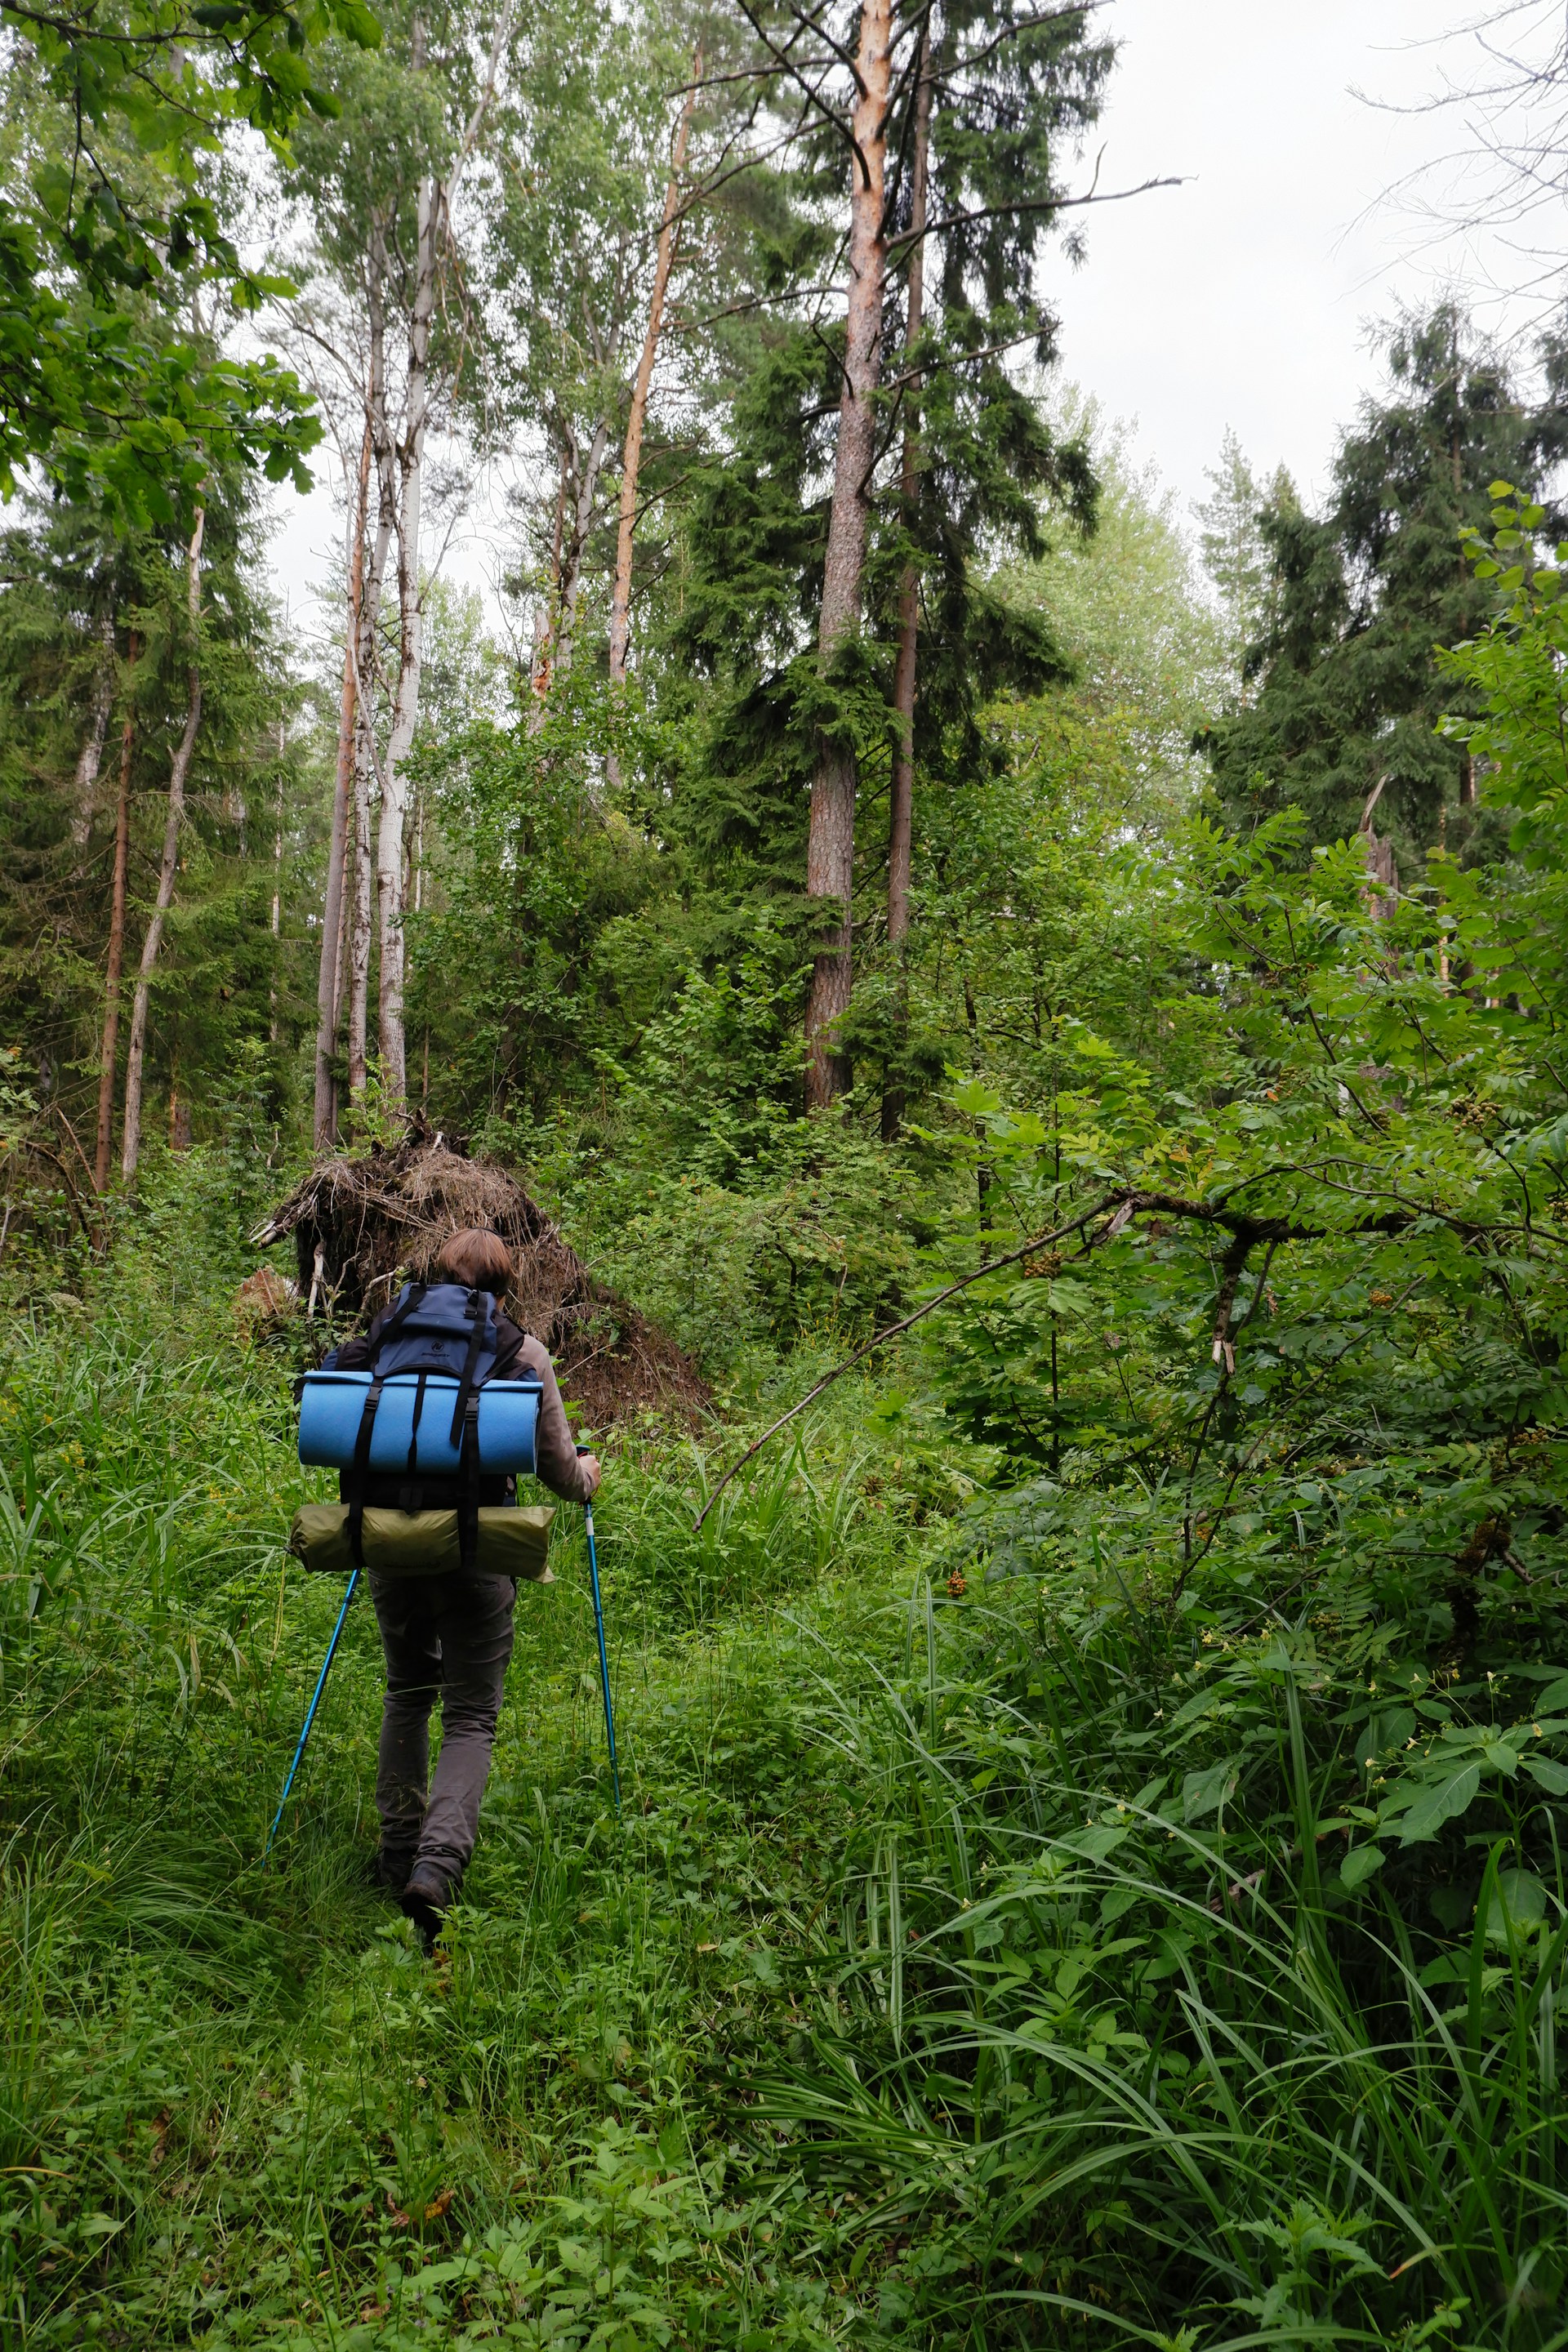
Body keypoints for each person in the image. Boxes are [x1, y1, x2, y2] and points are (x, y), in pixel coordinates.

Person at [332, 1226, 600, 1943]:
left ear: (440, 1275)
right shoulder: (522, 1350)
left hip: (389, 1541)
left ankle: (397, 1854)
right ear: (504, 1289)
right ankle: (437, 1867)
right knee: (471, 1715)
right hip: (477, 1549)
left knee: (407, 1691)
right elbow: (559, 1470)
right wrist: (587, 1476)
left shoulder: (388, 1331)